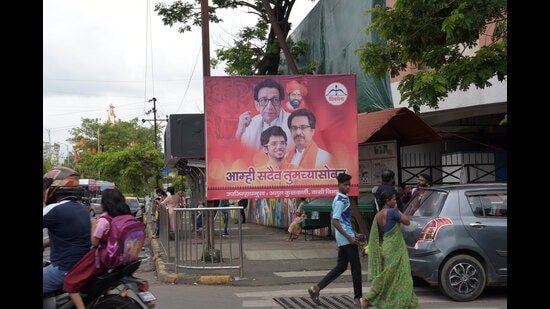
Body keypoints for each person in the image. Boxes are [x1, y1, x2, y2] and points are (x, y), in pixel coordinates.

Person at [63, 188, 132, 309]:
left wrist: (93, 225)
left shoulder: (103, 220)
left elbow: (94, 242)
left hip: (99, 258)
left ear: (104, 203)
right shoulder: (123, 218)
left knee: (70, 282)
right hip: (115, 257)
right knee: (101, 286)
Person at [308, 173, 365, 306]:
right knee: (356, 267)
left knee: (341, 266)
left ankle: (316, 288)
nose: (347, 187)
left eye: (349, 185)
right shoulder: (341, 200)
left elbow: (345, 222)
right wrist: (350, 238)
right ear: (338, 185)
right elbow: (335, 221)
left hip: (345, 236)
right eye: (345, 185)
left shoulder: (341, 197)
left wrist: (354, 233)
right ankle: (358, 298)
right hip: (345, 238)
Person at [360, 190, 419, 309]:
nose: (395, 201)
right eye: (394, 199)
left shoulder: (378, 215)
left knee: (390, 274)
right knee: (396, 274)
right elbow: (407, 221)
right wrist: (397, 209)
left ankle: (391, 299)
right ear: (388, 201)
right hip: (395, 247)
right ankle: (367, 299)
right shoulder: (393, 212)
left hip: (387, 246)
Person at [43, 167, 92, 295]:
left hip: (64, 268)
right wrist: (45, 244)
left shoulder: (54, 209)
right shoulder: (82, 208)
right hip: (81, 266)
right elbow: (70, 236)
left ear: (56, 186)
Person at [234, 78, 294, 151]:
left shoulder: (294, 123)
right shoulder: (251, 124)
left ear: (281, 103)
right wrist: (240, 131)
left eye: (275, 100)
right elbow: (241, 150)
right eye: (264, 100)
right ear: (257, 105)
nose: (269, 107)